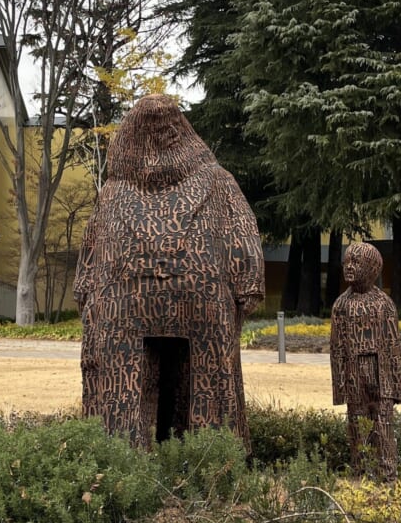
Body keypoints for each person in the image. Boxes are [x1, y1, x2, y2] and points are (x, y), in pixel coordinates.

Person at [74, 95, 264, 450]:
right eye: (154, 127)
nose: (163, 134)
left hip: (194, 303)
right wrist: (86, 288)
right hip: (126, 306)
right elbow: (92, 245)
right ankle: (124, 457)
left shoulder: (216, 181)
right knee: (125, 388)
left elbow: (242, 228)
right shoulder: (114, 192)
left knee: (206, 381)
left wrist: (249, 280)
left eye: (169, 125)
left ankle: (211, 457)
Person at [330, 242, 401, 479]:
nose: (349, 268)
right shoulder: (341, 305)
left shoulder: (384, 304)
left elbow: (394, 347)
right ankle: (361, 470)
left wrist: (398, 386)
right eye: (346, 263)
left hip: (380, 373)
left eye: (355, 262)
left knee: (383, 422)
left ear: (372, 267)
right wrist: (339, 388)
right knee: (357, 423)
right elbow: (336, 349)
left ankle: (386, 472)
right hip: (354, 374)